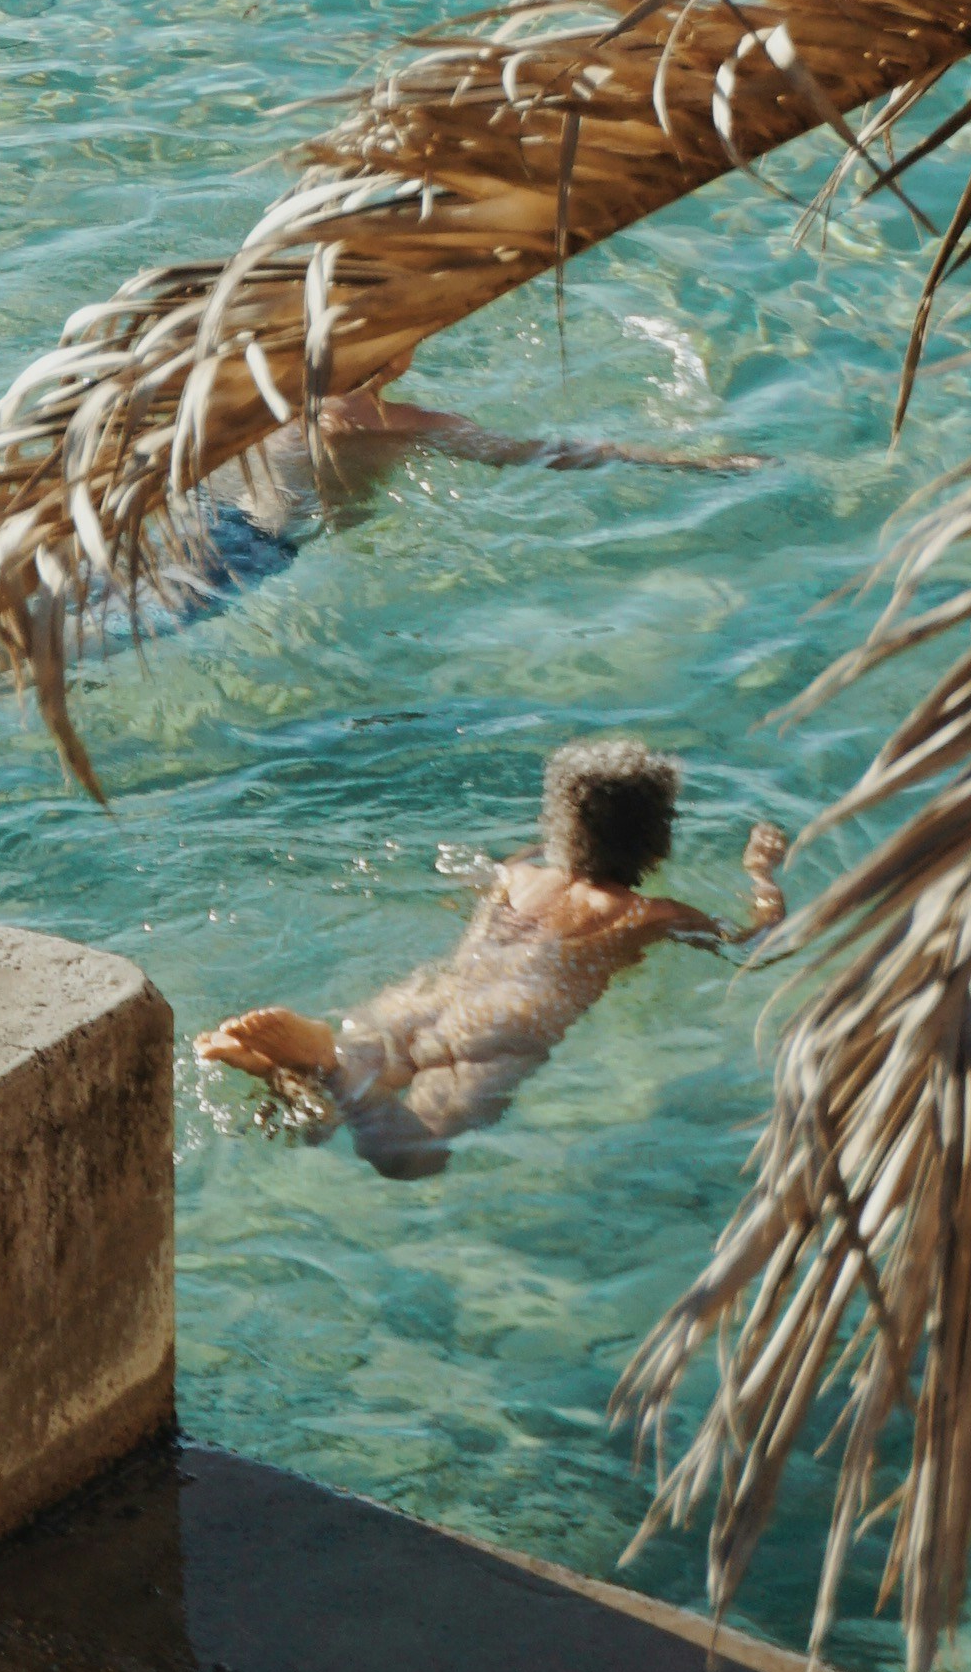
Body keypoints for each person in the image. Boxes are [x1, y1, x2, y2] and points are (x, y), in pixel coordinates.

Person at [197, 741, 758, 1173]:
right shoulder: (650, 915)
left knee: (325, 1117)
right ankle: (329, 1068)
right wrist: (763, 875)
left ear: (560, 820)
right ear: (656, 837)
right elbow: (753, 940)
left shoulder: (517, 873)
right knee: (410, 1156)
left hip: (425, 994)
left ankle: (303, 1065)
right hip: (502, 1026)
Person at [118, 383, 749, 636]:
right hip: (252, 550)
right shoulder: (398, 421)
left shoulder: (267, 387)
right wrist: (684, 461)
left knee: (69, 611)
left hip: (189, 513)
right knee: (108, 637)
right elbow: (547, 454)